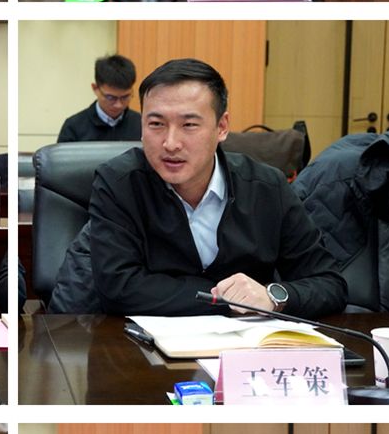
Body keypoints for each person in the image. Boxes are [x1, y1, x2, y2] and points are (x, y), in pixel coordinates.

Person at [86, 58, 347, 319]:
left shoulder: (267, 187)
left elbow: (329, 284)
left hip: (249, 341)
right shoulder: (118, 183)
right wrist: (225, 300)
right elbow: (118, 288)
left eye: (189, 125)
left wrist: (272, 297)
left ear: (221, 127)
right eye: (156, 124)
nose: (171, 143)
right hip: (143, 341)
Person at [57, 55, 141, 144]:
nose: (118, 105)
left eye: (125, 97)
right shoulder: (73, 127)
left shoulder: (141, 124)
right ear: (95, 88)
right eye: (111, 97)